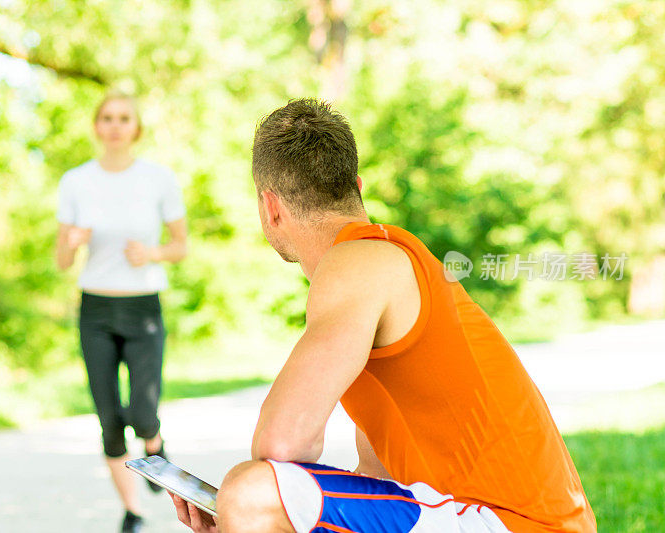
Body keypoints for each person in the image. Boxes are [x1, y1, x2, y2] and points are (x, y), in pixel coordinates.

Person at [170, 98, 596, 532]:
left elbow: (281, 443)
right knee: (267, 503)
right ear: (357, 185)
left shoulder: (354, 264)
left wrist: (247, 514)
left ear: (270, 207)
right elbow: (377, 483)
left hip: (512, 523)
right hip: (486, 518)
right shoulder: (386, 265)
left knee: (252, 492)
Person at [56, 91, 187, 533]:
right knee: (110, 419)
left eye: (124, 118)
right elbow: (59, 258)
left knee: (143, 411)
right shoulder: (76, 181)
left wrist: (151, 252)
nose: (114, 125)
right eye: (107, 118)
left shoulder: (158, 179)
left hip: (142, 307)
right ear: (96, 127)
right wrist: (70, 243)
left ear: (136, 128)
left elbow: (180, 246)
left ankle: (154, 441)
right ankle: (132, 511)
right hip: (95, 309)